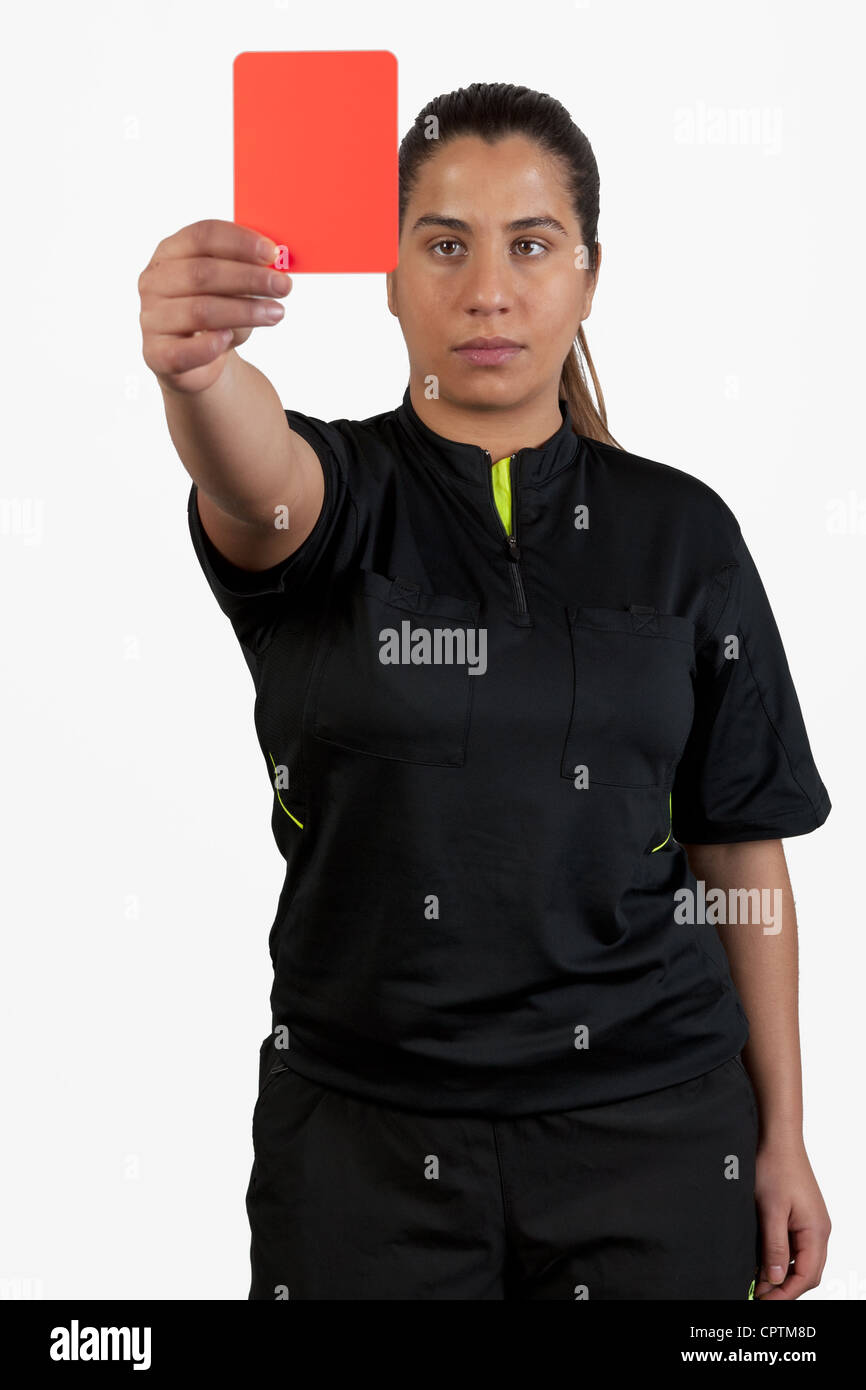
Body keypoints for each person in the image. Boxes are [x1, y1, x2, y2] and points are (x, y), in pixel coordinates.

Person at [139, 82, 832, 1301]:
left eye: (531, 244)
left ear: (587, 275)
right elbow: (254, 479)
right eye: (443, 244)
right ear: (391, 277)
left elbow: (738, 853)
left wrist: (781, 1136)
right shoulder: (330, 499)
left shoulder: (684, 535)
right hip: (360, 1153)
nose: (488, 290)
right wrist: (195, 373)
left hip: (655, 1137)